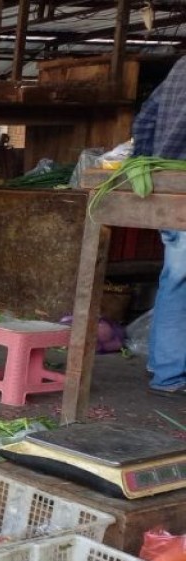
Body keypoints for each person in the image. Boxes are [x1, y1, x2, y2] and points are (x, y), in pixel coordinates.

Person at [133, 56, 186, 397]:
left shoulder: (182, 65)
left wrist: (149, 165)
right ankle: (168, 372)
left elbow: (145, 121)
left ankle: (165, 368)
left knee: (176, 278)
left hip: (168, 183)